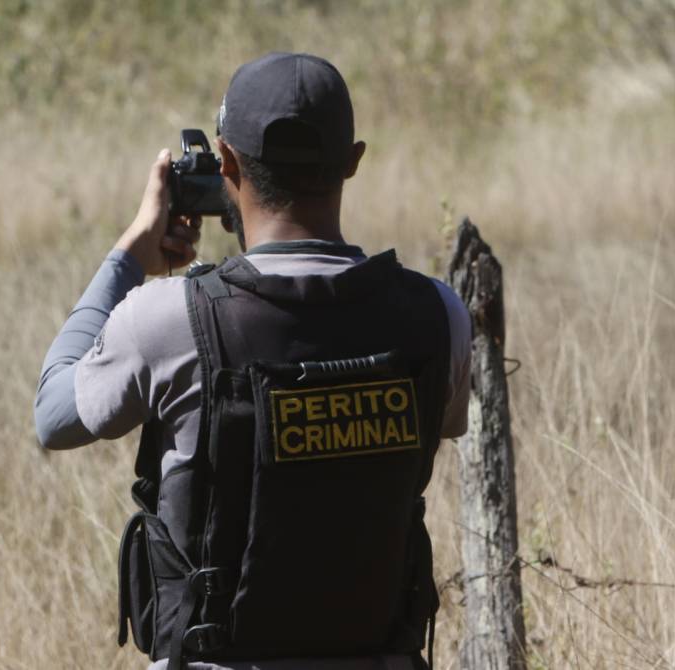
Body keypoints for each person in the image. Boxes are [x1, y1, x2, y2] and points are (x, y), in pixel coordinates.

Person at [34, 53, 471, 670]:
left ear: (227, 162)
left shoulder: (170, 318)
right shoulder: (437, 314)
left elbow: (53, 416)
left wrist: (129, 256)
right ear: (353, 160)